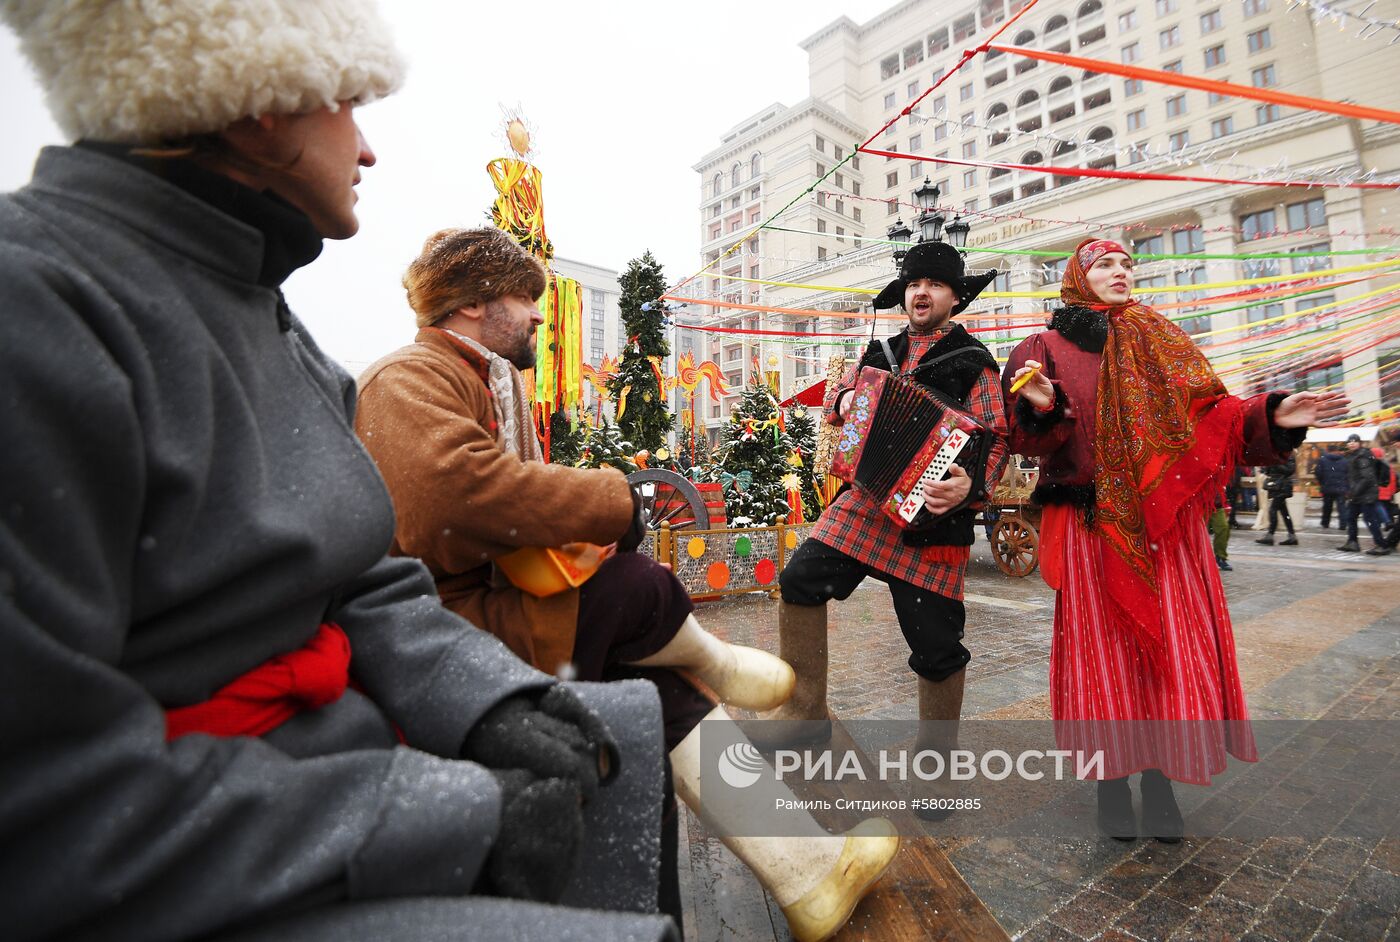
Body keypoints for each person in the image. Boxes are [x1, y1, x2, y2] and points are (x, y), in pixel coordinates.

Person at [0, 3, 682, 940]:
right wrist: (450, 817)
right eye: (352, 109)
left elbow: (363, 579)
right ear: (259, 105)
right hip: (214, 841)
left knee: (620, 745)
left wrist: (489, 701)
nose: (366, 153)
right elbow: (44, 804)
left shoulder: (267, 315)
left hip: (340, 744)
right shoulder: (33, 304)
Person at [354, 226, 899, 942]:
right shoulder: (409, 378)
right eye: (526, 298)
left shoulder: (474, 374)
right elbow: (451, 497)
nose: (539, 316)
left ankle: (810, 876)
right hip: (441, 631)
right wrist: (613, 501)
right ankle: (723, 671)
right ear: (477, 302)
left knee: (662, 694)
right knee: (635, 587)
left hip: (482, 607)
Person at [1004, 239, 1347, 843]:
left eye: (1126, 264)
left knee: (1166, 652)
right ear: (1078, 277)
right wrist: (1045, 409)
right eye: (1103, 264)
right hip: (1094, 527)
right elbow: (1027, 442)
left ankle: (1160, 779)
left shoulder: (1163, 337)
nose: (1119, 272)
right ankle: (1112, 779)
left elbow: (1211, 415)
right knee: (1103, 657)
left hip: (1167, 528)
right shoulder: (1045, 348)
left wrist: (1270, 417)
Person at [758, 241, 1010, 821]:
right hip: (868, 504)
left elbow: (997, 437)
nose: (921, 292)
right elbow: (838, 418)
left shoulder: (975, 360)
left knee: (937, 648)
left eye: (935, 284)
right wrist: (843, 402)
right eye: (913, 283)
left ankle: (936, 769)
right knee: (800, 579)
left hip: (933, 521)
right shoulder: (879, 352)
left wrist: (970, 488)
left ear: (954, 297)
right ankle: (805, 714)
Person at [1338, 433, 1389, 555]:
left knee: (1369, 519)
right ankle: (1352, 542)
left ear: (1359, 443)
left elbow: (1367, 478)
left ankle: (1381, 545)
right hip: (1358, 494)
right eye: (1349, 441)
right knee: (1351, 517)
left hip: (1366, 494)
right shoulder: (1353, 456)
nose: (1351, 443)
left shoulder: (1362, 456)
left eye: (1354, 441)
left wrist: (1354, 491)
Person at [1255, 463, 1299, 546]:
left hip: (1282, 486)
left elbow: (1290, 470)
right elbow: (1270, 471)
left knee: (1273, 510)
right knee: (1284, 513)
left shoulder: (1287, 455)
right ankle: (1292, 536)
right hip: (1276, 487)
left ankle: (1270, 535)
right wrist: (1265, 469)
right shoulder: (1276, 455)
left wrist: (1276, 463)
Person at [1315, 444, 1350, 528]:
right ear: (1337, 450)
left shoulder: (1322, 460)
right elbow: (1348, 474)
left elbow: (1318, 473)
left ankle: (1325, 523)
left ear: (1327, 450)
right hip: (1341, 488)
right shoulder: (1344, 461)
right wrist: (1347, 486)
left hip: (1327, 487)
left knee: (1327, 507)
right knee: (1341, 507)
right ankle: (1343, 524)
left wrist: (1322, 482)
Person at [1207, 487, 1233, 569]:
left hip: (1217, 505)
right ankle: (1195, 558)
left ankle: (1220, 557)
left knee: (1223, 528)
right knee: (1197, 533)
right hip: (1198, 504)